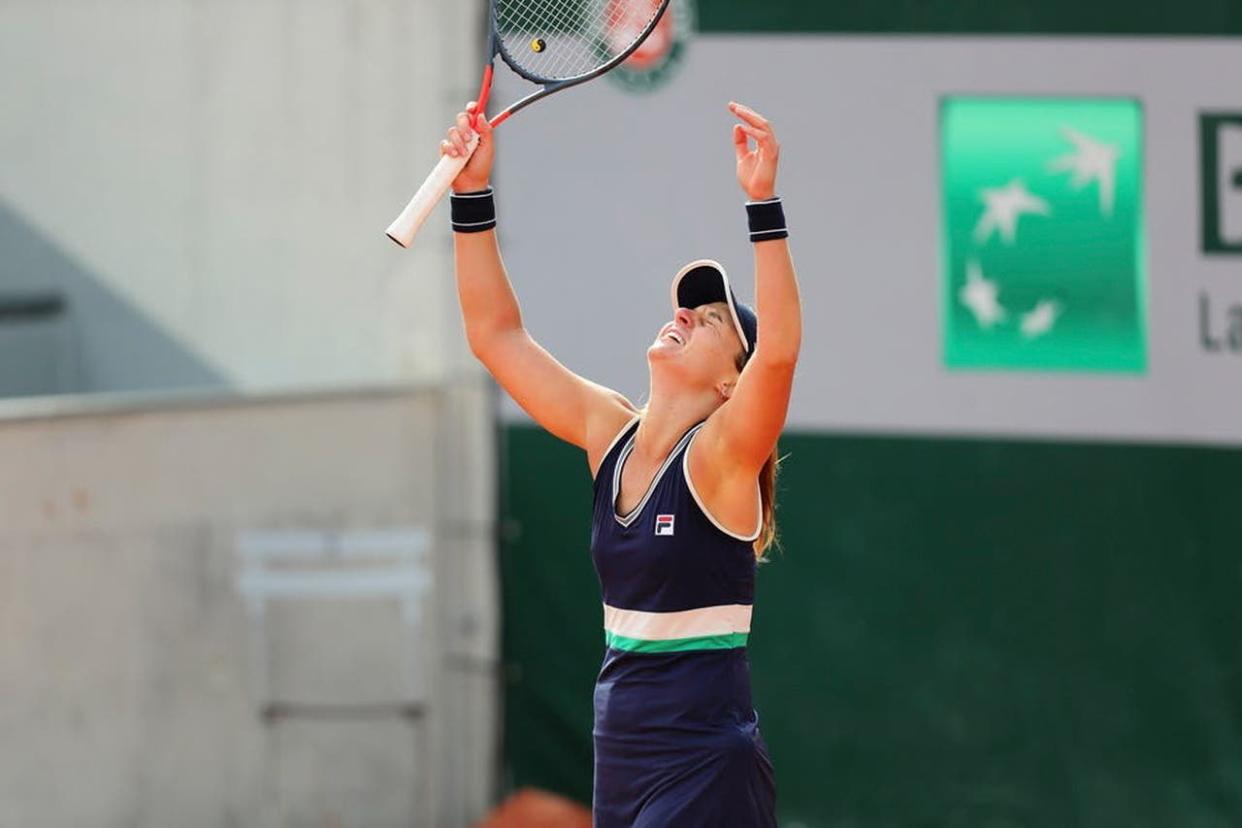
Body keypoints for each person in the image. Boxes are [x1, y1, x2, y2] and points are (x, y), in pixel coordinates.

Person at [440, 98, 801, 827]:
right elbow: (494, 335)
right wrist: (469, 193)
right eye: (686, 309)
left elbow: (782, 354)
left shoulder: (721, 462)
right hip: (623, 758)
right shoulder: (609, 432)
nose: (685, 317)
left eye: (709, 323)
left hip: (704, 765)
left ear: (732, 381)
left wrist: (763, 205)